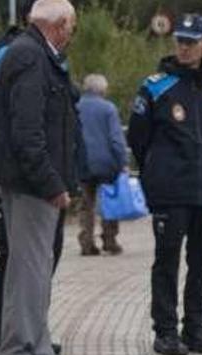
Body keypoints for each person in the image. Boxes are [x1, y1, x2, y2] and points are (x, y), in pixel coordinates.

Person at [0, 0, 81, 355]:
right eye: (71, 24)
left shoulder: (38, 54)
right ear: (58, 24)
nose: (72, 31)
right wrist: (51, 184)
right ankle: (15, 354)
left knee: (37, 268)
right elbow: (27, 134)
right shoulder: (30, 57)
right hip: (30, 186)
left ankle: (38, 348)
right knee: (27, 269)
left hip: (34, 184)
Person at [128, 13, 202, 355]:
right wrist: (156, 175)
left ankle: (195, 329)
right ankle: (166, 331)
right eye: (180, 42)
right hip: (171, 193)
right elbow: (138, 139)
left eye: (192, 42)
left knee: (201, 262)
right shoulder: (155, 87)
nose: (185, 48)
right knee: (167, 260)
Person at [76, 73, 127, 255]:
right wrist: (122, 161)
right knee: (109, 201)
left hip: (82, 162)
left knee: (86, 203)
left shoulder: (76, 107)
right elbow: (116, 139)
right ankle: (109, 239)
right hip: (106, 163)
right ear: (103, 90)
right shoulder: (108, 109)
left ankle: (86, 241)